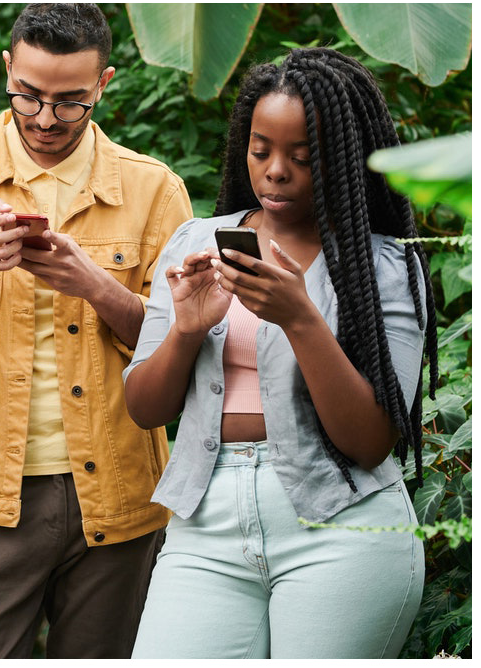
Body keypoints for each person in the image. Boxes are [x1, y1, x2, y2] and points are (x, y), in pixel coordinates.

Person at [0, 3, 192, 658]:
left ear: (104, 84)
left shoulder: (154, 190)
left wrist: (96, 287)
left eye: (70, 102)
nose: (45, 118)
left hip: (119, 496)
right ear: (7, 69)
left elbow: (184, 347)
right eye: (27, 95)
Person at [124, 47, 435, 658]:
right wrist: (186, 330)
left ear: (344, 159)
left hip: (342, 528)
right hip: (205, 523)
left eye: (303, 155)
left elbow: (372, 442)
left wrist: (299, 317)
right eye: (261, 149)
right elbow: (144, 407)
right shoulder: (196, 242)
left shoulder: (385, 267)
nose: (275, 171)